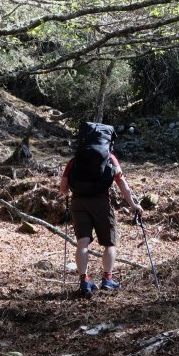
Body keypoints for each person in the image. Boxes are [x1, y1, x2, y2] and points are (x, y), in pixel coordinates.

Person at [59, 123, 144, 295]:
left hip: (78, 202)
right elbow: (122, 184)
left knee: (82, 243)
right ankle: (108, 279)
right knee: (109, 243)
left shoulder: (75, 160)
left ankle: (84, 281)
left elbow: (63, 188)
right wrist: (134, 205)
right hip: (101, 202)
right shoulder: (109, 158)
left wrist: (71, 192)